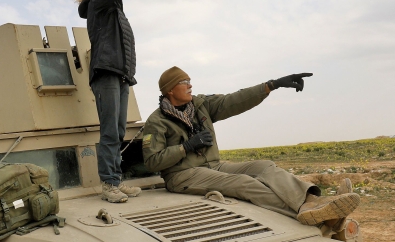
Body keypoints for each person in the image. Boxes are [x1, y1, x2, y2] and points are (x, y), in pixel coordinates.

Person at [143, 67, 361, 225]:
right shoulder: (157, 121)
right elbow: (152, 162)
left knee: (264, 167)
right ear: (170, 90)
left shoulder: (200, 105)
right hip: (182, 175)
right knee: (243, 182)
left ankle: (313, 201)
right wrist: (186, 147)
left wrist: (271, 85)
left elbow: (235, 100)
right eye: (184, 82)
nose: (190, 85)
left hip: (213, 165)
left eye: (190, 80)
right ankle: (303, 212)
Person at [76, 0, 142, 203]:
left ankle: (115, 180)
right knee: (110, 132)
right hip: (105, 71)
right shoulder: (99, 2)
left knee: (119, 130)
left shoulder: (110, 6)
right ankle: (108, 184)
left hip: (120, 72)